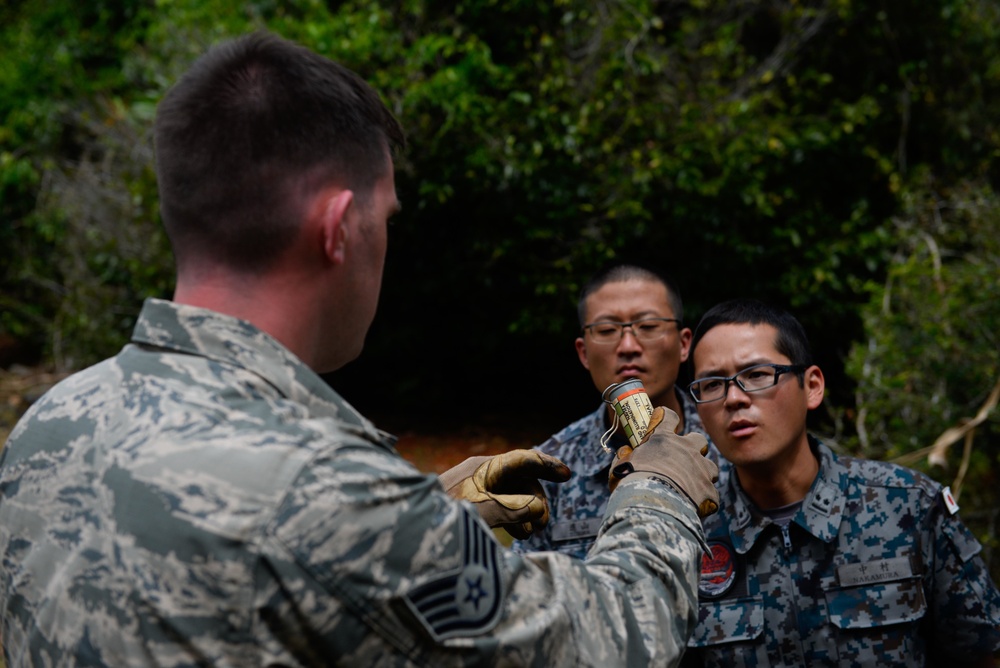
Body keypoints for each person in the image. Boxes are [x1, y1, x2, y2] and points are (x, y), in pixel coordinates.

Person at [0, 31, 720, 667]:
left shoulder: (52, 422)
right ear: (340, 227)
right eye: (386, 217)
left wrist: (437, 513)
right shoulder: (328, 486)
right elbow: (612, 640)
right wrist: (659, 483)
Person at [680, 298, 1000, 667]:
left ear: (812, 386)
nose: (734, 398)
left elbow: (982, 654)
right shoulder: (688, 534)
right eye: (712, 384)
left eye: (757, 375)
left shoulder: (909, 508)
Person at [512, 263, 718, 559]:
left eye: (648, 327)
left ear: (684, 344)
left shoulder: (730, 443)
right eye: (607, 330)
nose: (628, 346)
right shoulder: (551, 470)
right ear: (583, 353)